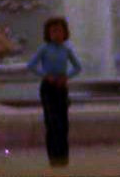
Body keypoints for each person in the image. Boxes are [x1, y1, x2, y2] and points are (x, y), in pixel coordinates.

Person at [27, 17, 82, 168]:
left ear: (65, 32)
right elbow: (31, 65)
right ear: (48, 33)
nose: (56, 34)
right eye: (53, 31)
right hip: (48, 88)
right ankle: (53, 158)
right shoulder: (44, 48)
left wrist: (67, 77)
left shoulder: (66, 49)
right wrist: (46, 75)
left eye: (59, 30)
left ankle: (63, 158)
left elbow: (78, 67)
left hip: (61, 88)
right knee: (52, 123)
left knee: (63, 124)